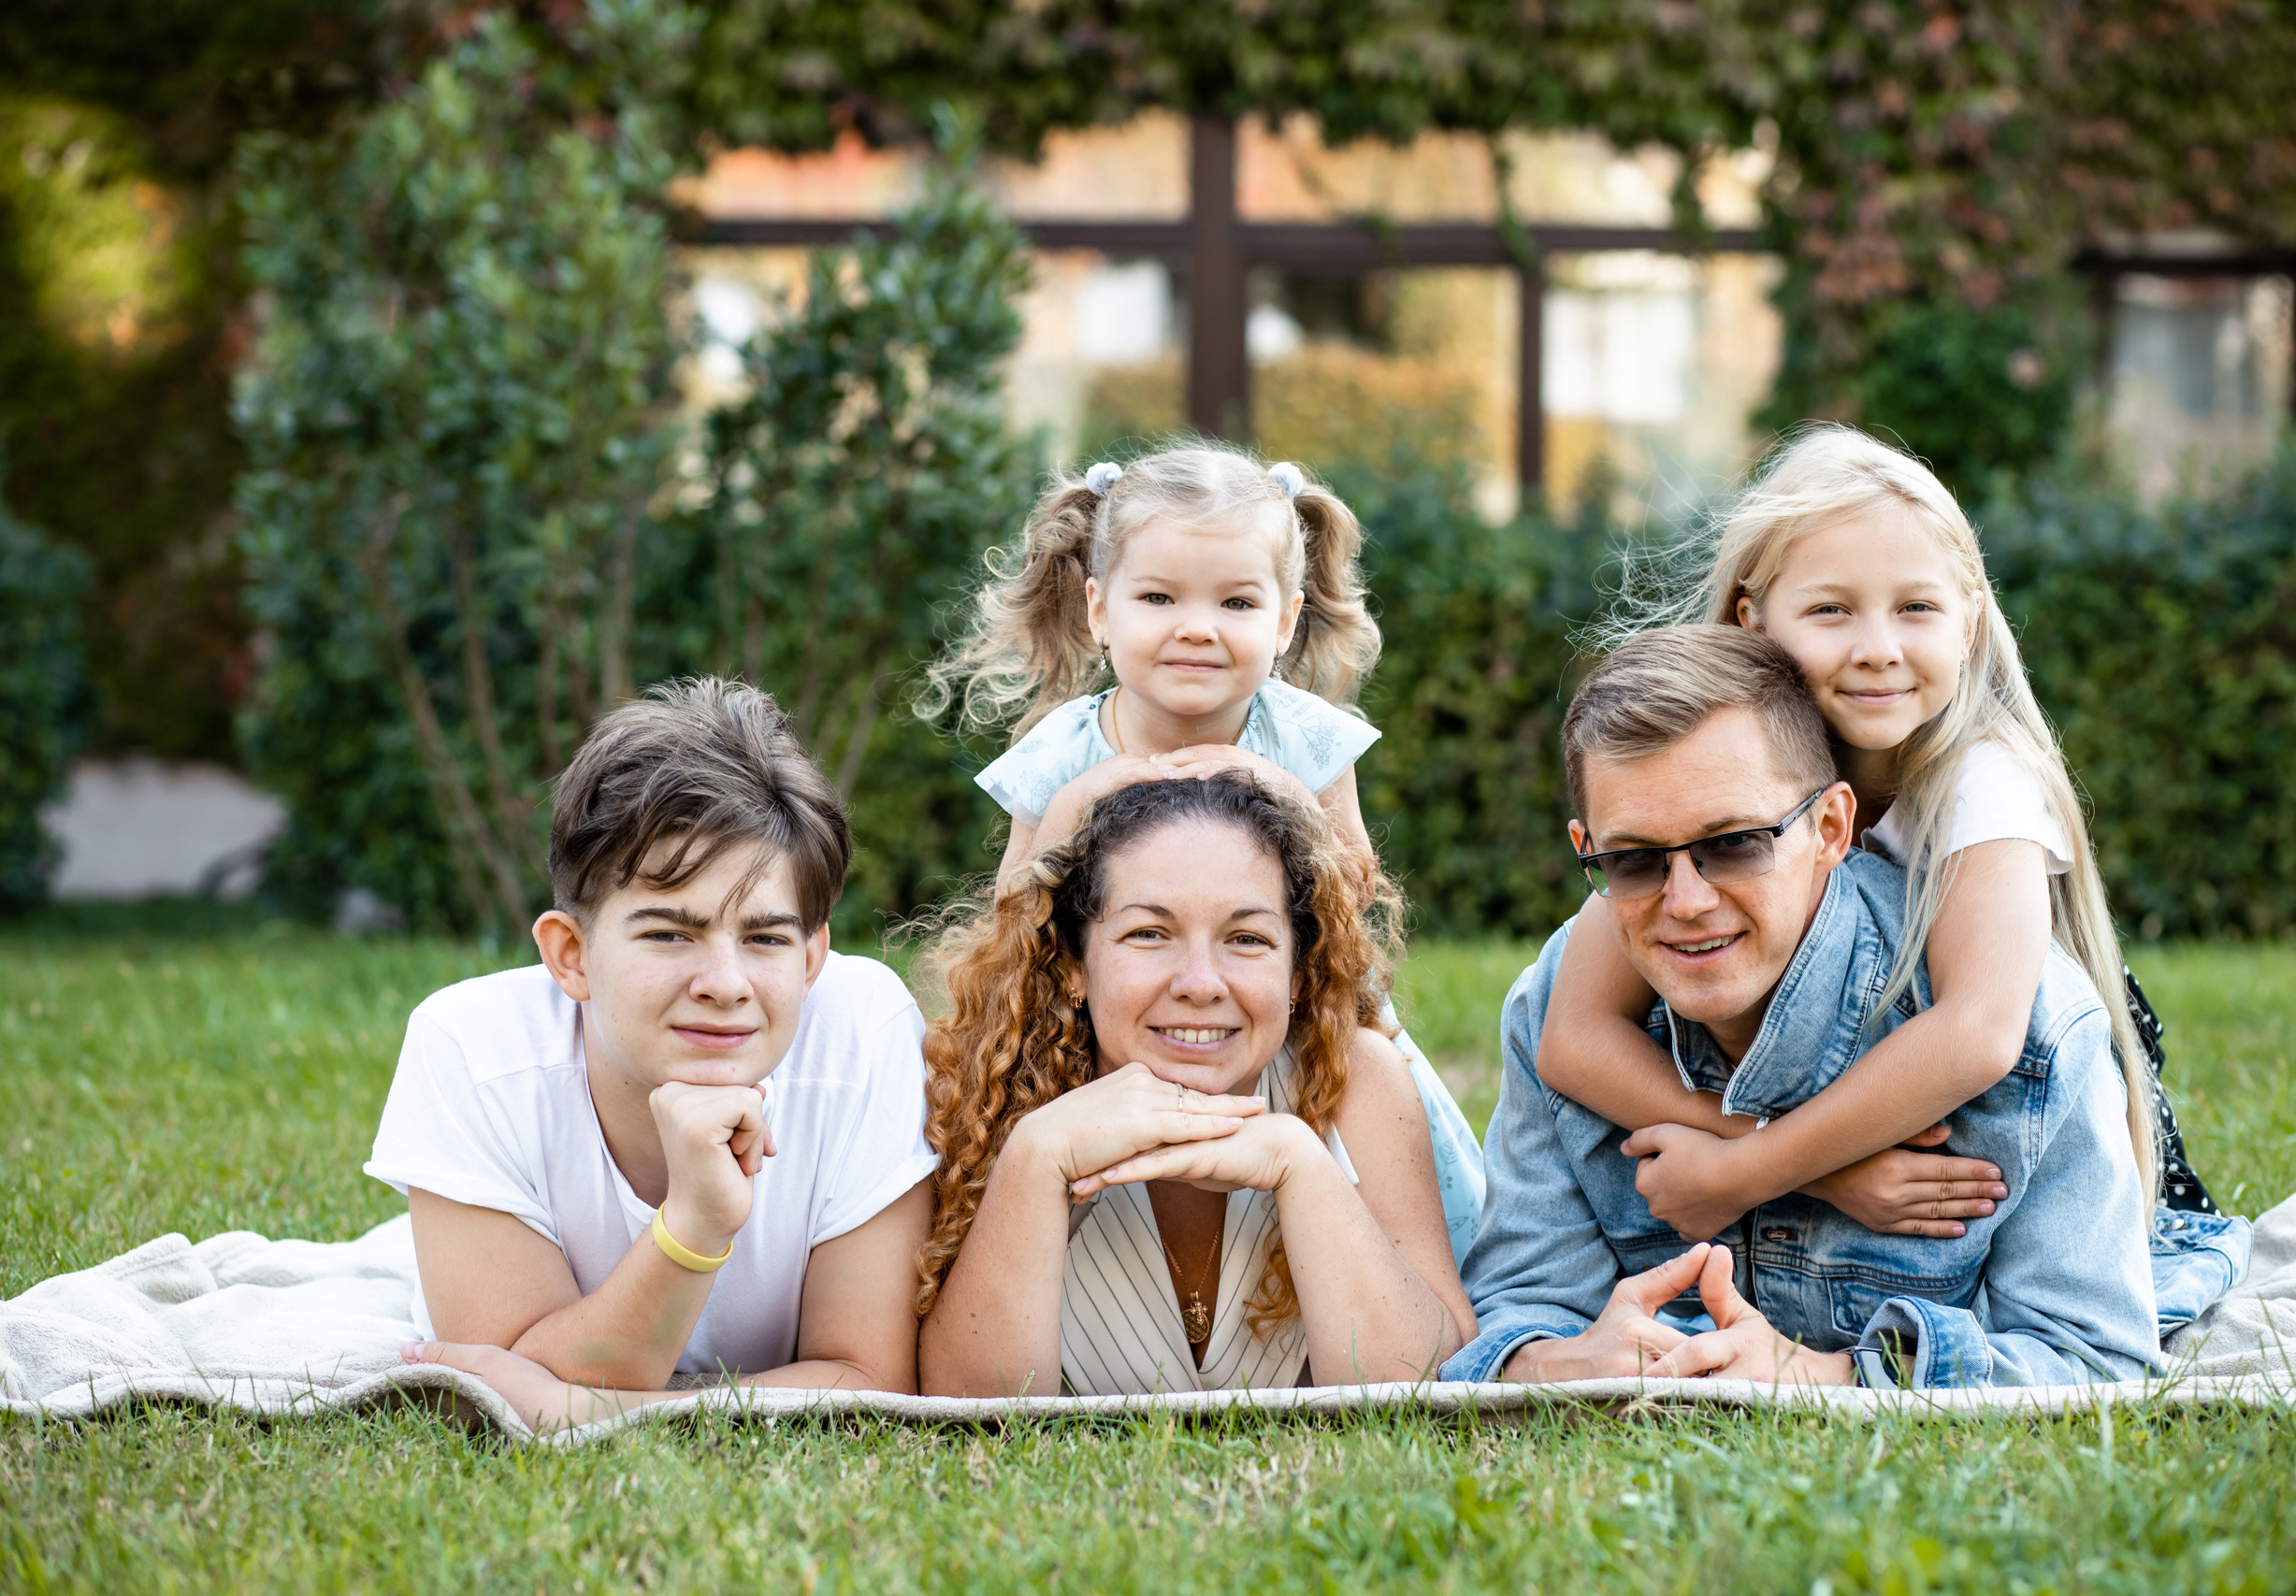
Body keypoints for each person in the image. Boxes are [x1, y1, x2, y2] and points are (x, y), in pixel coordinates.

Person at [1446, 628, 2244, 1388]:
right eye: (1632, 860)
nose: (1684, 901)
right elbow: (1515, 1313)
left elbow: (2094, 1357)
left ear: (1831, 826)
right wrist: (1571, 1360)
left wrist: (1818, 1374)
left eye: (1735, 843)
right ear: (1589, 847)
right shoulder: (1559, 1006)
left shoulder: (2027, 1019)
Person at [1533, 425, 2217, 1252]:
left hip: (1993, 1149)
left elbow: (1978, 1034)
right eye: (1830, 609)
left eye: (1917, 607)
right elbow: (1572, 1037)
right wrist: (1799, 1164)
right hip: (1836, 1145)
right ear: (1753, 619)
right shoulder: (1717, 784)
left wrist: (1745, 1172)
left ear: (1968, 623)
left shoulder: (1982, 782)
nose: (1878, 650)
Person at [919, 444, 1483, 1260]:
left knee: (1390, 1170)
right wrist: (1082, 804)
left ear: (1284, 620)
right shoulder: (1064, 751)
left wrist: (1274, 788)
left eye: (1236, 602)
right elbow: (1017, 911)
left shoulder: (1301, 735)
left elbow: (1354, 883)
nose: (1196, 626)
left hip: (1297, 1017)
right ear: (1099, 610)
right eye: (1157, 597)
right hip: (1105, 1024)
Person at [377, 680, 937, 1431]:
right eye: (671, 934)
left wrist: (593, 1408)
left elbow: (867, 1378)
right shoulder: (472, 1049)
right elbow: (503, 1377)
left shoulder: (862, 1028)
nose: (725, 985)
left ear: (813, 959)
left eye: (767, 937)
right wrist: (695, 1225)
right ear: (570, 954)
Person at [913, 773, 1474, 1397]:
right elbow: (967, 1414)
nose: (1200, 982)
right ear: (1075, 963)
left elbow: (1428, 1387)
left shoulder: (1358, 1080)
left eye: (1247, 938)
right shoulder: (991, 1095)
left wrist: (1299, 1164)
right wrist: (1036, 1155)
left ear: (1297, 973)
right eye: (1149, 933)